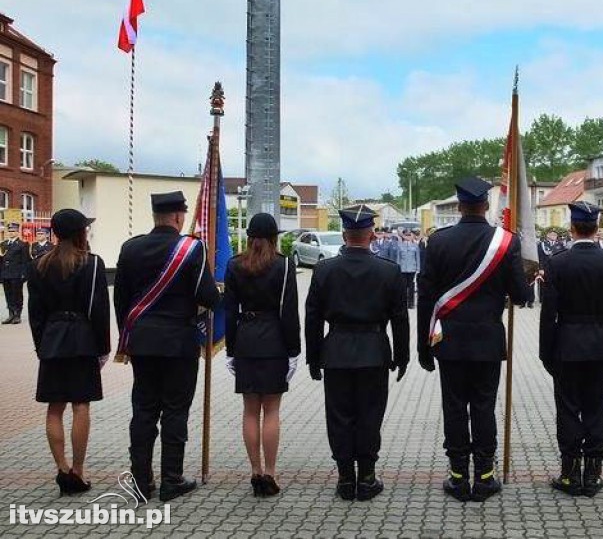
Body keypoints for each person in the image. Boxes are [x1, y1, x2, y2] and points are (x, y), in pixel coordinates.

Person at [417, 177, 531, 502]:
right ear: (485, 205)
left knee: (453, 408)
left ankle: (457, 477)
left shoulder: (438, 242)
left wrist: (422, 346)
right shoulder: (506, 242)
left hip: (448, 342)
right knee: (483, 407)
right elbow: (520, 296)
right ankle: (484, 477)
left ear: (459, 205)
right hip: (487, 342)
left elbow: (425, 298)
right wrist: (527, 280)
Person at [113, 191, 220, 502]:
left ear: (155, 215)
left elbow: (121, 300)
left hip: (142, 343)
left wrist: (130, 336)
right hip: (179, 344)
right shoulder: (191, 248)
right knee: (175, 411)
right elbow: (208, 296)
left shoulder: (130, 248)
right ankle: (171, 480)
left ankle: (141, 481)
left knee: (143, 410)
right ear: (178, 217)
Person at [306, 205, 409, 501]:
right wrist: (401, 357)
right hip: (374, 352)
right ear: (372, 235)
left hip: (336, 351)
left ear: (343, 234)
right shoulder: (388, 271)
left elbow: (312, 316)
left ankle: (344, 479)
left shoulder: (325, 270)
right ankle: (366, 477)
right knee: (370, 415)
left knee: (339, 416)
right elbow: (400, 318)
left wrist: (314, 357)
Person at [540, 201, 603, 497]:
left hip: (566, 346)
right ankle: (592, 476)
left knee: (567, 410)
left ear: (572, 228)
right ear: (595, 228)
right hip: (601, 348)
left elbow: (548, 314)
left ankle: (569, 475)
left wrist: (545, 352)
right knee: (596, 410)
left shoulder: (557, 263)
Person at [26, 209, 108, 496]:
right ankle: (78, 470)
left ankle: (61, 469)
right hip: (83, 340)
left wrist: (42, 345)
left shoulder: (37, 266)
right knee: (81, 406)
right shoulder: (93, 264)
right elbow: (99, 310)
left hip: (52, 341)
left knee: (54, 408)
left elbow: (35, 313)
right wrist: (103, 348)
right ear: (80, 233)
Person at [223, 213, 301, 497]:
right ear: (273, 237)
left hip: (245, 340)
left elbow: (229, 311)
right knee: (272, 410)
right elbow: (288, 311)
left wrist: (230, 349)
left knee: (249, 410)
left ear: (250, 236)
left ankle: (254, 471)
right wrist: (294, 350)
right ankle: (270, 472)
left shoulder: (234, 265)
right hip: (274, 342)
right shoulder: (283, 265)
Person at [1, 227, 30, 324]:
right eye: (9, 231)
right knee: (8, 294)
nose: (11, 233)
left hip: (16, 274)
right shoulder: (3, 244)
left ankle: (18, 314)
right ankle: (11, 313)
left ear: (17, 232)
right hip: (5, 273)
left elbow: (25, 261)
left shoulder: (22, 244)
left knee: (17, 294)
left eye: (13, 231)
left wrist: (23, 274)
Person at [537, 230, 564, 306]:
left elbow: (562, 256)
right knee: (543, 283)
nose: (554, 236)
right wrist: (540, 268)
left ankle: (555, 298)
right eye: (552, 235)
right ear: (547, 235)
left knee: (556, 283)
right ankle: (542, 299)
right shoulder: (541, 244)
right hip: (545, 267)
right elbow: (540, 257)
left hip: (556, 267)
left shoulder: (560, 244)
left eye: (555, 235)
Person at [395, 230, 420, 309]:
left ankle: (411, 303)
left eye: (409, 235)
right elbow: (398, 258)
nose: (408, 237)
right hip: (403, 269)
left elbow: (417, 258)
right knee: (403, 287)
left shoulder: (415, 245)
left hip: (412, 269)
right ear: (404, 236)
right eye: (406, 235)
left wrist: (418, 269)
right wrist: (397, 269)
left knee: (411, 287)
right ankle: (403, 303)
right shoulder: (400, 245)